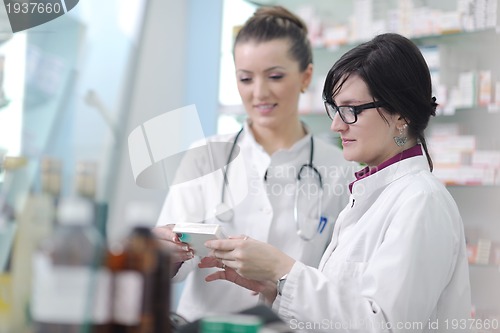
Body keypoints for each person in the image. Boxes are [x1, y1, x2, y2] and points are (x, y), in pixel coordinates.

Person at [200, 33, 472, 332]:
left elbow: (385, 326)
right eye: (335, 108)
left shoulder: (421, 201)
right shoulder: (371, 196)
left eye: (351, 110)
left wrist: (285, 270)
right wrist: (277, 287)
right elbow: (345, 313)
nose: (336, 125)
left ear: (400, 114)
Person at [153, 6, 355, 321]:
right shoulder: (205, 157)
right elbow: (171, 266)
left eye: (275, 76)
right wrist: (167, 253)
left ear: (306, 77)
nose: (259, 92)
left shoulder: (341, 170)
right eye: (245, 78)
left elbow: (339, 280)